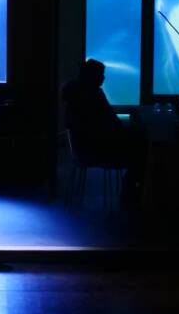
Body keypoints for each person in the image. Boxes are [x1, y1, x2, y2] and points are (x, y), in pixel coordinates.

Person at [62, 59, 148, 205]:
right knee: (142, 147)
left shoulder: (74, 95)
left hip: (83, 148)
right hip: (97, 149)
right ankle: (133, 194)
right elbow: (111, 122)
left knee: (137, 143)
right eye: (101, 74)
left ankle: (131, 192)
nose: (103, 77)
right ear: (92, 76)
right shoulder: (93, 95)